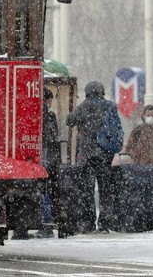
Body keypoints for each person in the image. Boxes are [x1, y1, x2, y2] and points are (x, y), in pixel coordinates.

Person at [66, 80, 122, 233]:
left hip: (88, 154)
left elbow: (69, 120)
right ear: (102, 91)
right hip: (105, 154)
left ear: (88, 92)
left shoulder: (85, 105)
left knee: (87, 190)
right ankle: (104, 223)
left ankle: (88, 223)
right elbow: (116, 127)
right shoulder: (110, 106)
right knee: (105, 190)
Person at [122, 104, 153, 232]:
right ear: (143, 116)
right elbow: (129, 147)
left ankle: (152, 224)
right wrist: (138, 157)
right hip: (140, 169)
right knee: (139, 196)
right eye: (148, 115)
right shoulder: (138, 130)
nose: (150, 117)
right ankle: (140, 224)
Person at [36, 87, 61, 238]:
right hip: (45, 156)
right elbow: (53, 137)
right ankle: (47, 224)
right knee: (45, 190)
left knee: (39, 190)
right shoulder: (48, 115)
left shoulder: (32, 112)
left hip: (33, 157)